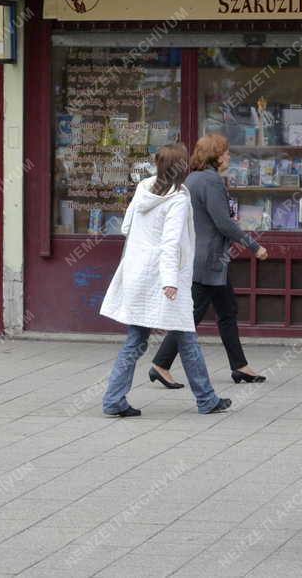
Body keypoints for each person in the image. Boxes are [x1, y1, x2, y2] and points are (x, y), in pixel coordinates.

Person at [99, 143, 232, 417]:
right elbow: (170, 243)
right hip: (164, 277)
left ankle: (114, 399)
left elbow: (126, 226)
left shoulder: (145, 187)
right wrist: (170, 281)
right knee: (184, 335)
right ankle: (206, 399)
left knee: (140, 339)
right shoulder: (178, 199)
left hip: (138, 274)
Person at [150, 134, 270, 387]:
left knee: (227, 311)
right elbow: (223, 222)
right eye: (225, 153)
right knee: (190, 315)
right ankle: (161, 364)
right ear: (215, 156)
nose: (229, 157)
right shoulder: (211, 181)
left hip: (205, 258)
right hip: (209, 260)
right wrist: (253, 245)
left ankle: (240, 366)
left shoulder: (192, 179)